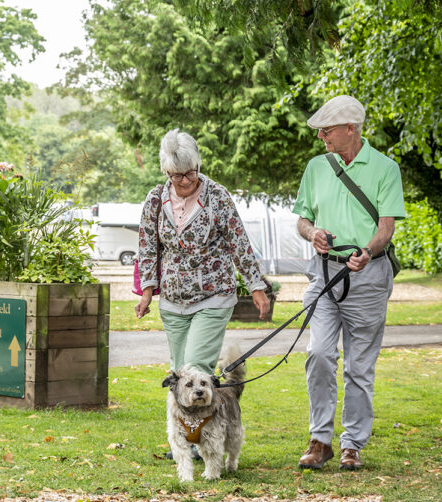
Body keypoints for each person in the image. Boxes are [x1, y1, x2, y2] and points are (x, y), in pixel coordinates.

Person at [293, 95, 405, 470]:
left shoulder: (386, 168)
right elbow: (302, 219)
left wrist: (368, 252)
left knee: (359, 366)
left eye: (327, 129)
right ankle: (319, 440)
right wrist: (313, 234)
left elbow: (385, 228)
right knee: (319, 353)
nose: (321, 135)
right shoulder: (315, 167)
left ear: (351, 129)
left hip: (368, 276)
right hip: (324, 273)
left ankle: (352, 445)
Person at [135, 128, 270, 377]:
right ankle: (194, 418)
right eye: (177, 176)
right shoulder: (155, 199)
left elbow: (238, 241)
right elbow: (147, 248)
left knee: (195, 370)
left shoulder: (217, 196)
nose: (185, 180)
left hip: (213, 297)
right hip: (173, 301)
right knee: (179, 374)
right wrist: (146, 292)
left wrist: (256, 286)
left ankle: (208, 417)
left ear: (197, 164)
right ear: (166, 172)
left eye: (190, 172)